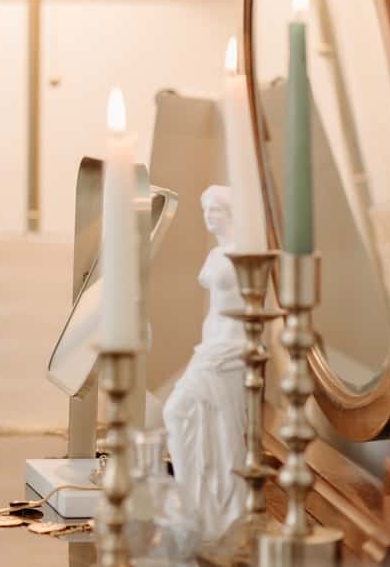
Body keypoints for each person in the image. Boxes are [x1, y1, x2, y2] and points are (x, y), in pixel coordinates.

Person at [162, 185, 247, 540]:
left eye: (216, 210)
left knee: (209, 424)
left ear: (231, 213)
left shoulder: (245, 254)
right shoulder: (215, 255)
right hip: (210, 346)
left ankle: (223, 505)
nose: (209, 217)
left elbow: (251, 306)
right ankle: (195, 500)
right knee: (184, 415)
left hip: (231, 350)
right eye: (206, 210)